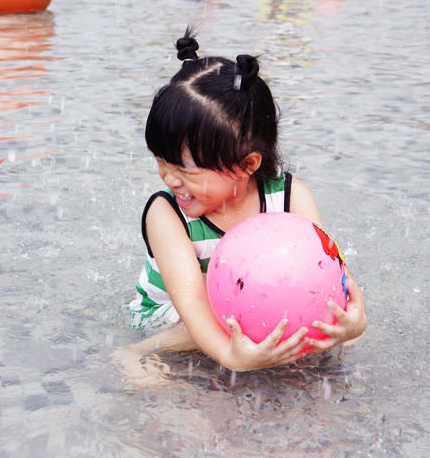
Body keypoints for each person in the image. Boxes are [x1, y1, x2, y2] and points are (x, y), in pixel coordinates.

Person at [117, 28, 367, 383]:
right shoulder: (166, 213)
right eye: (162, 162)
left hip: (248, 305)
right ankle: (132, 355)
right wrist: (231, 357)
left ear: (247, 165)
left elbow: (330, 271)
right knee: (181, 356)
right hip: (175, 317)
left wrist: (354, 320)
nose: (169, 179)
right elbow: (192, 302)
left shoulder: (289, 197)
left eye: (185, 169)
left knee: (329, 339)